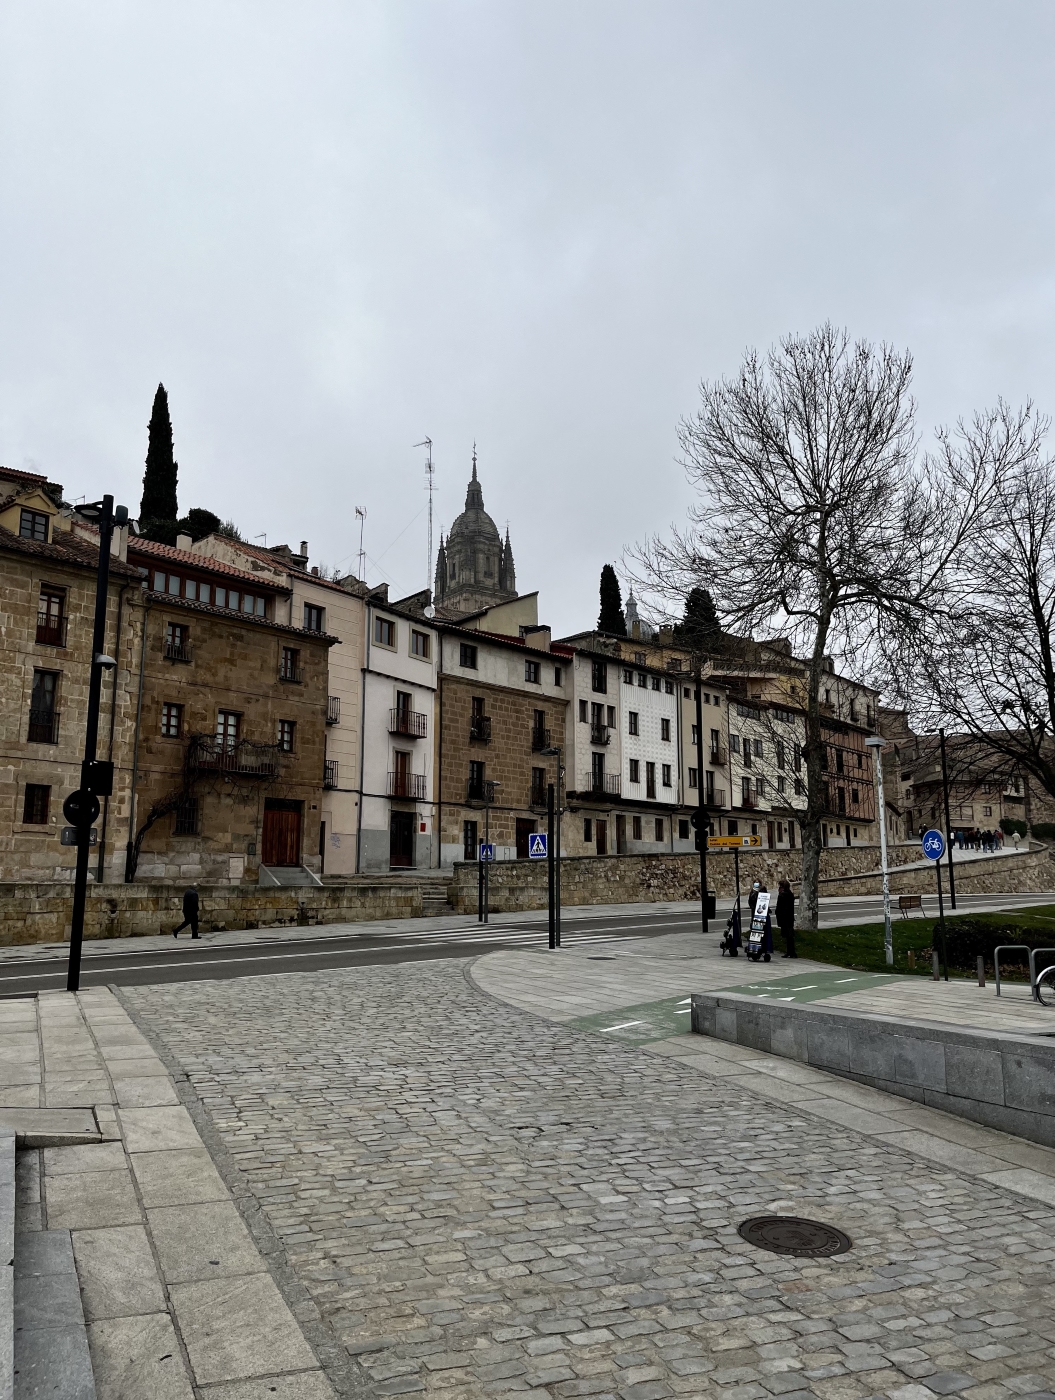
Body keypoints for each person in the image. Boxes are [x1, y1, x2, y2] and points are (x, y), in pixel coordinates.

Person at [776, 879, 796, 958]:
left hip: (784, 918)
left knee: (788, 936)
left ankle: (790, 952)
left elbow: (779, 907)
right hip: (790, 917)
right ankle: (791, 952)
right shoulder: (790, 894)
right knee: (790, 936)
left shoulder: (782, 895)